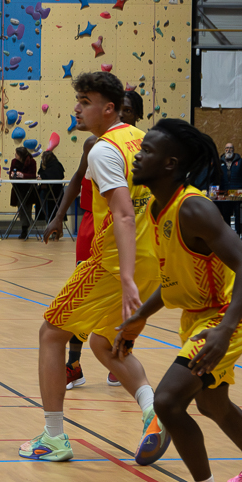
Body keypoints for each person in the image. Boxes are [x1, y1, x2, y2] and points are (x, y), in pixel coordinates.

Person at [117, 119, 242, 482]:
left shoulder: (192, 207)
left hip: (226, 316)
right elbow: (174, 279)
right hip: (197, 318)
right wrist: (140, 317)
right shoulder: (157, 208)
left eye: (148, 151)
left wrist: (225, 329)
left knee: (169, 401)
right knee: (213, 405)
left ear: (170, 163)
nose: (138, 155)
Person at [20, 72, 167, 464]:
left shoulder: (104, 149)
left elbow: (121, 214)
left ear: (108, 108)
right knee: (104, 343)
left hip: (114, 262)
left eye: (85, 101)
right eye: (78, 100)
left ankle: (53, 438)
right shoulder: (144, 140)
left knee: (51, 333)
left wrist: (126, 276)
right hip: (155, 258)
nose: (77, 108)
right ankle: (155, 412)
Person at [44, 90, 143, 390]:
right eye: (120, 109)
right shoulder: (95, 145)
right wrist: (60, 215)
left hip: (129, 227)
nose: (123, 115)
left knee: (126, 304)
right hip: (94, 224)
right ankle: (73, 363)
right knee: (81, 299)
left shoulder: (139, 144)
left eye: (128, 111)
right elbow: (76, 180)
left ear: (134, 116)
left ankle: (119, 357)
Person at [217, 143, 242, 235]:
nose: (229, 150)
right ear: (224, 149)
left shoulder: (240, 161)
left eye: (231, 148)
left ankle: (238, 233)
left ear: (233, 149)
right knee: (226, 214)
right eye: (227, 148)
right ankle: (227, 234)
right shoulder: (219, 162)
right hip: (224, 192)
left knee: (238, 214)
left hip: (238, 192)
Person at [9, 146, 38, 240]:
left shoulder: (32, 162)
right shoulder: (14, 161)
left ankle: (25, 229)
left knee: (28, 208)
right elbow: (10, 173)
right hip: (18, 188)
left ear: (21, 155)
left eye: (16, 154)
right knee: (21, 209)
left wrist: (23, 175)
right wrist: (12, 175)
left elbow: (33, 175)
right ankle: (24, 229)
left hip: (29, 189)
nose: (15, 155)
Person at [37, 149, 65, 224]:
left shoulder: (55, 166)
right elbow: (41, 173)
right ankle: (48, 222)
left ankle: (49, 222)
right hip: (52, 191)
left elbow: (53, 175)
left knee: (50, 210)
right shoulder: (48, 165)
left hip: (53, 192)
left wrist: (42, 176)